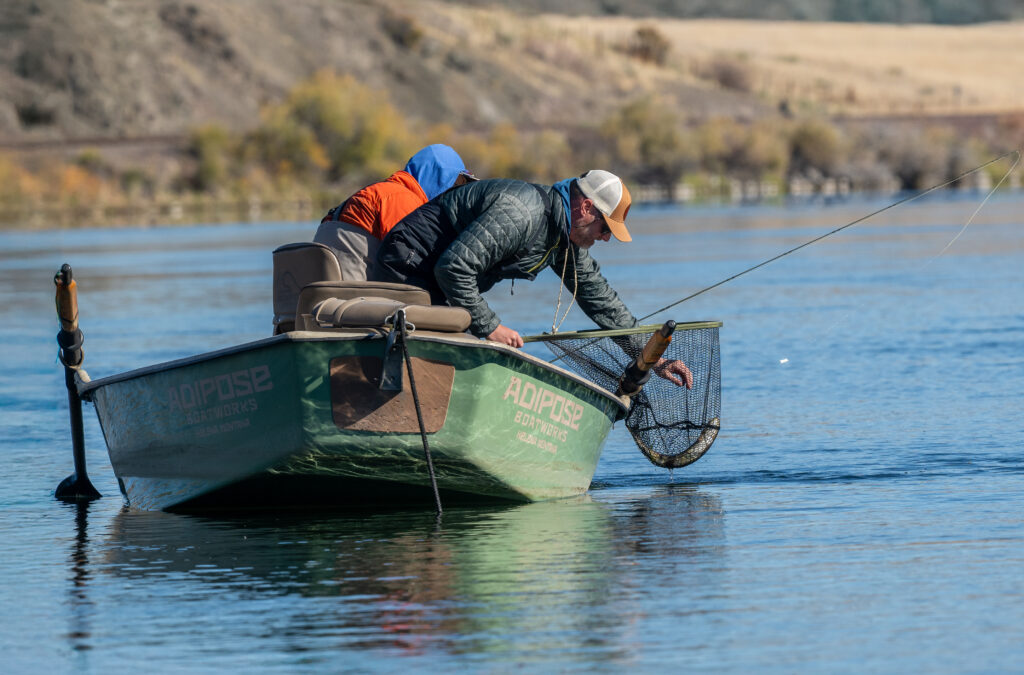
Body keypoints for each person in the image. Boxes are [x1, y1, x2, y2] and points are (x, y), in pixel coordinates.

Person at [376, 169, 693, 388]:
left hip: (436, 278)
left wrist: (654, 358)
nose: (606, 239)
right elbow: (453, 268)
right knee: (428, 358)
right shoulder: (523, 213)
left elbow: (602, 302)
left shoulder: (562, 237)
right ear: (585, 207)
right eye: (606, 228)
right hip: (409, 262)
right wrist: (491, 328)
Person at [313, 144, 477, 279]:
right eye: (456, 185)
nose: (456, 194)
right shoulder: (404, 200)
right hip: (353, 300)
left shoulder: (383, 192)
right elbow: (417, 263)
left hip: (325, 296)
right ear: (440, 177)